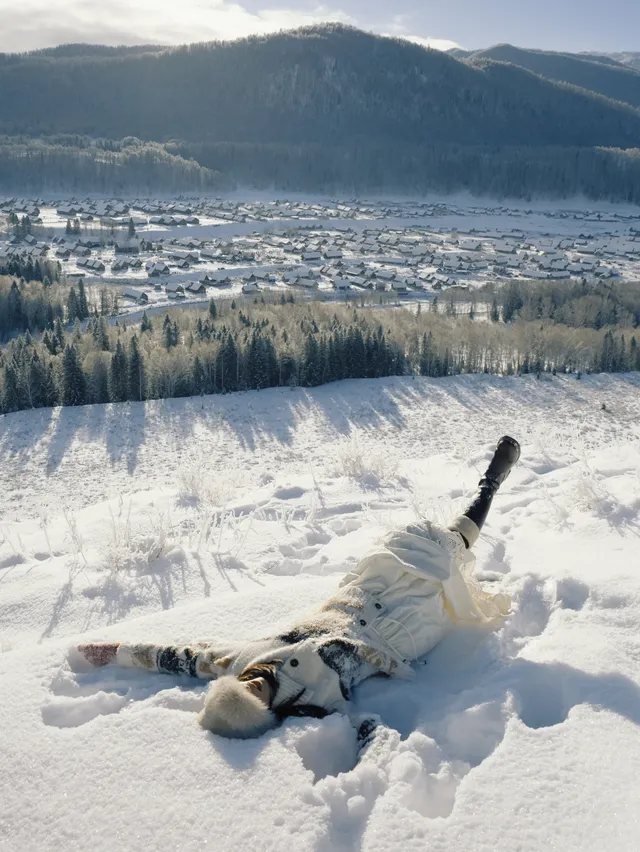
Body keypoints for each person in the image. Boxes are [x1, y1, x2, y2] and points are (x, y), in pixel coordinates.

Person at [75, 436, 521, 742]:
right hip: (403, 627)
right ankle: (490, 489)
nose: (253, 685)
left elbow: (179, 658)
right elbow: (361, 730)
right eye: (254, 699)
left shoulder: (236, 662)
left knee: (429, 540)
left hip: (363, 592)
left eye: (241, 687)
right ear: (267, 712)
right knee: (453, 564)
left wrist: (115, 651)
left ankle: (485, 489)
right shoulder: (311, 704)